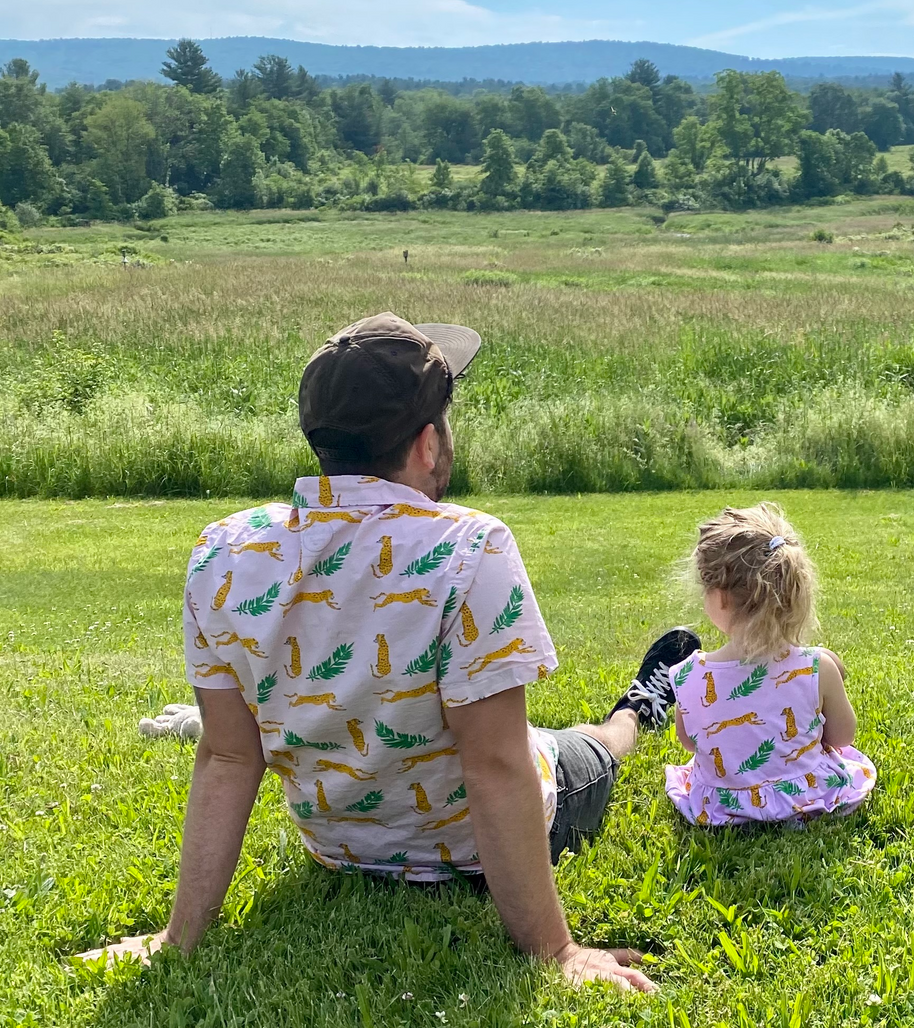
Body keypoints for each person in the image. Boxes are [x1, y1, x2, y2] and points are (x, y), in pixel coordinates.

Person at [83, 312, 701, 991]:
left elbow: (230, 754)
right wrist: (555, 951)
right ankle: (642, 706)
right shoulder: (472, 546)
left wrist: (178, 937)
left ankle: (637, 703)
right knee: (589, 745)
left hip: (339, 851)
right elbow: (494, 767)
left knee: (533, 737)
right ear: (428, 444)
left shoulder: (223, 550)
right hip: (470, 849)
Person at [664, 503, 875, 825]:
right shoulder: (816, 666)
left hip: (721, 803)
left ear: (719, 597)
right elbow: (843, 738)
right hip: (807, 795)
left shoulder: (688, 675)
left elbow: (689, 742)